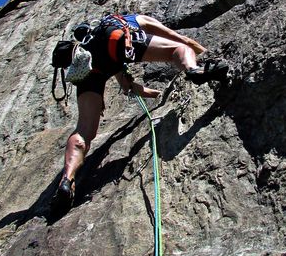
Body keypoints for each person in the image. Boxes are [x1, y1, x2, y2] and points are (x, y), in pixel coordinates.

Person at [52, 13, 227, 208]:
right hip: (115, 43)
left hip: (91, 70)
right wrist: (191, 46)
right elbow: (173, 36)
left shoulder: (88, 47)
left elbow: (128, 86)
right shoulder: (127, 19)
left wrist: (157, 95)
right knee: (179, 49)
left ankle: (67, 180)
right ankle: (194, 70)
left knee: (84, 130)